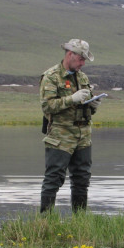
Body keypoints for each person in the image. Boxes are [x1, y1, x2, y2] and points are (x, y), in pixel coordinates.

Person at [39, 39, 101, 213]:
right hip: (60, 135)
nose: (82, 64)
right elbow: (47, 106)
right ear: (70, 54)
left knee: (82, 178)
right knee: (54, 178)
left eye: (84, 60)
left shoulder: (82, 77)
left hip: (83, 135)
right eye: (80, 59)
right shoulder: (51, 76)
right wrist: (71, 99)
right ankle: (46, 221)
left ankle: (80, 221)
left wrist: (93, 105)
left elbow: (85, 106)